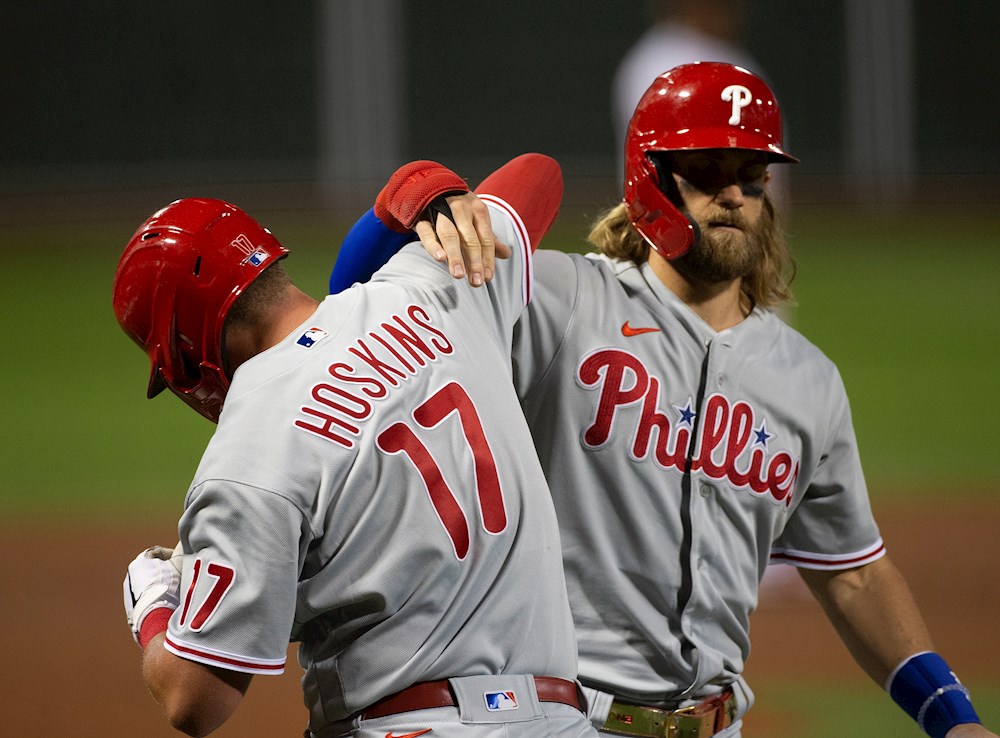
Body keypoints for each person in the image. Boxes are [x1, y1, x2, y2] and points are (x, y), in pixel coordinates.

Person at [329, 63, 995, 738]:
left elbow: (853, 575)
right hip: (559, 720)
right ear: (652, 176)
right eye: (709, 168)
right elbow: (358, 324)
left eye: (753, 175)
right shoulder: (560, 301)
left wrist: (954, 720)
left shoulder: (808, 380)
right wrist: (403, 206)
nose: (734, 194)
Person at [114, 154, 601, 738]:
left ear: (189, 355)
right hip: (561, 721)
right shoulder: (437, 284)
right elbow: (538, 174)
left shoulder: (248, 455)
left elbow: (194, 702)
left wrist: (154, 607)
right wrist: (424, 188)